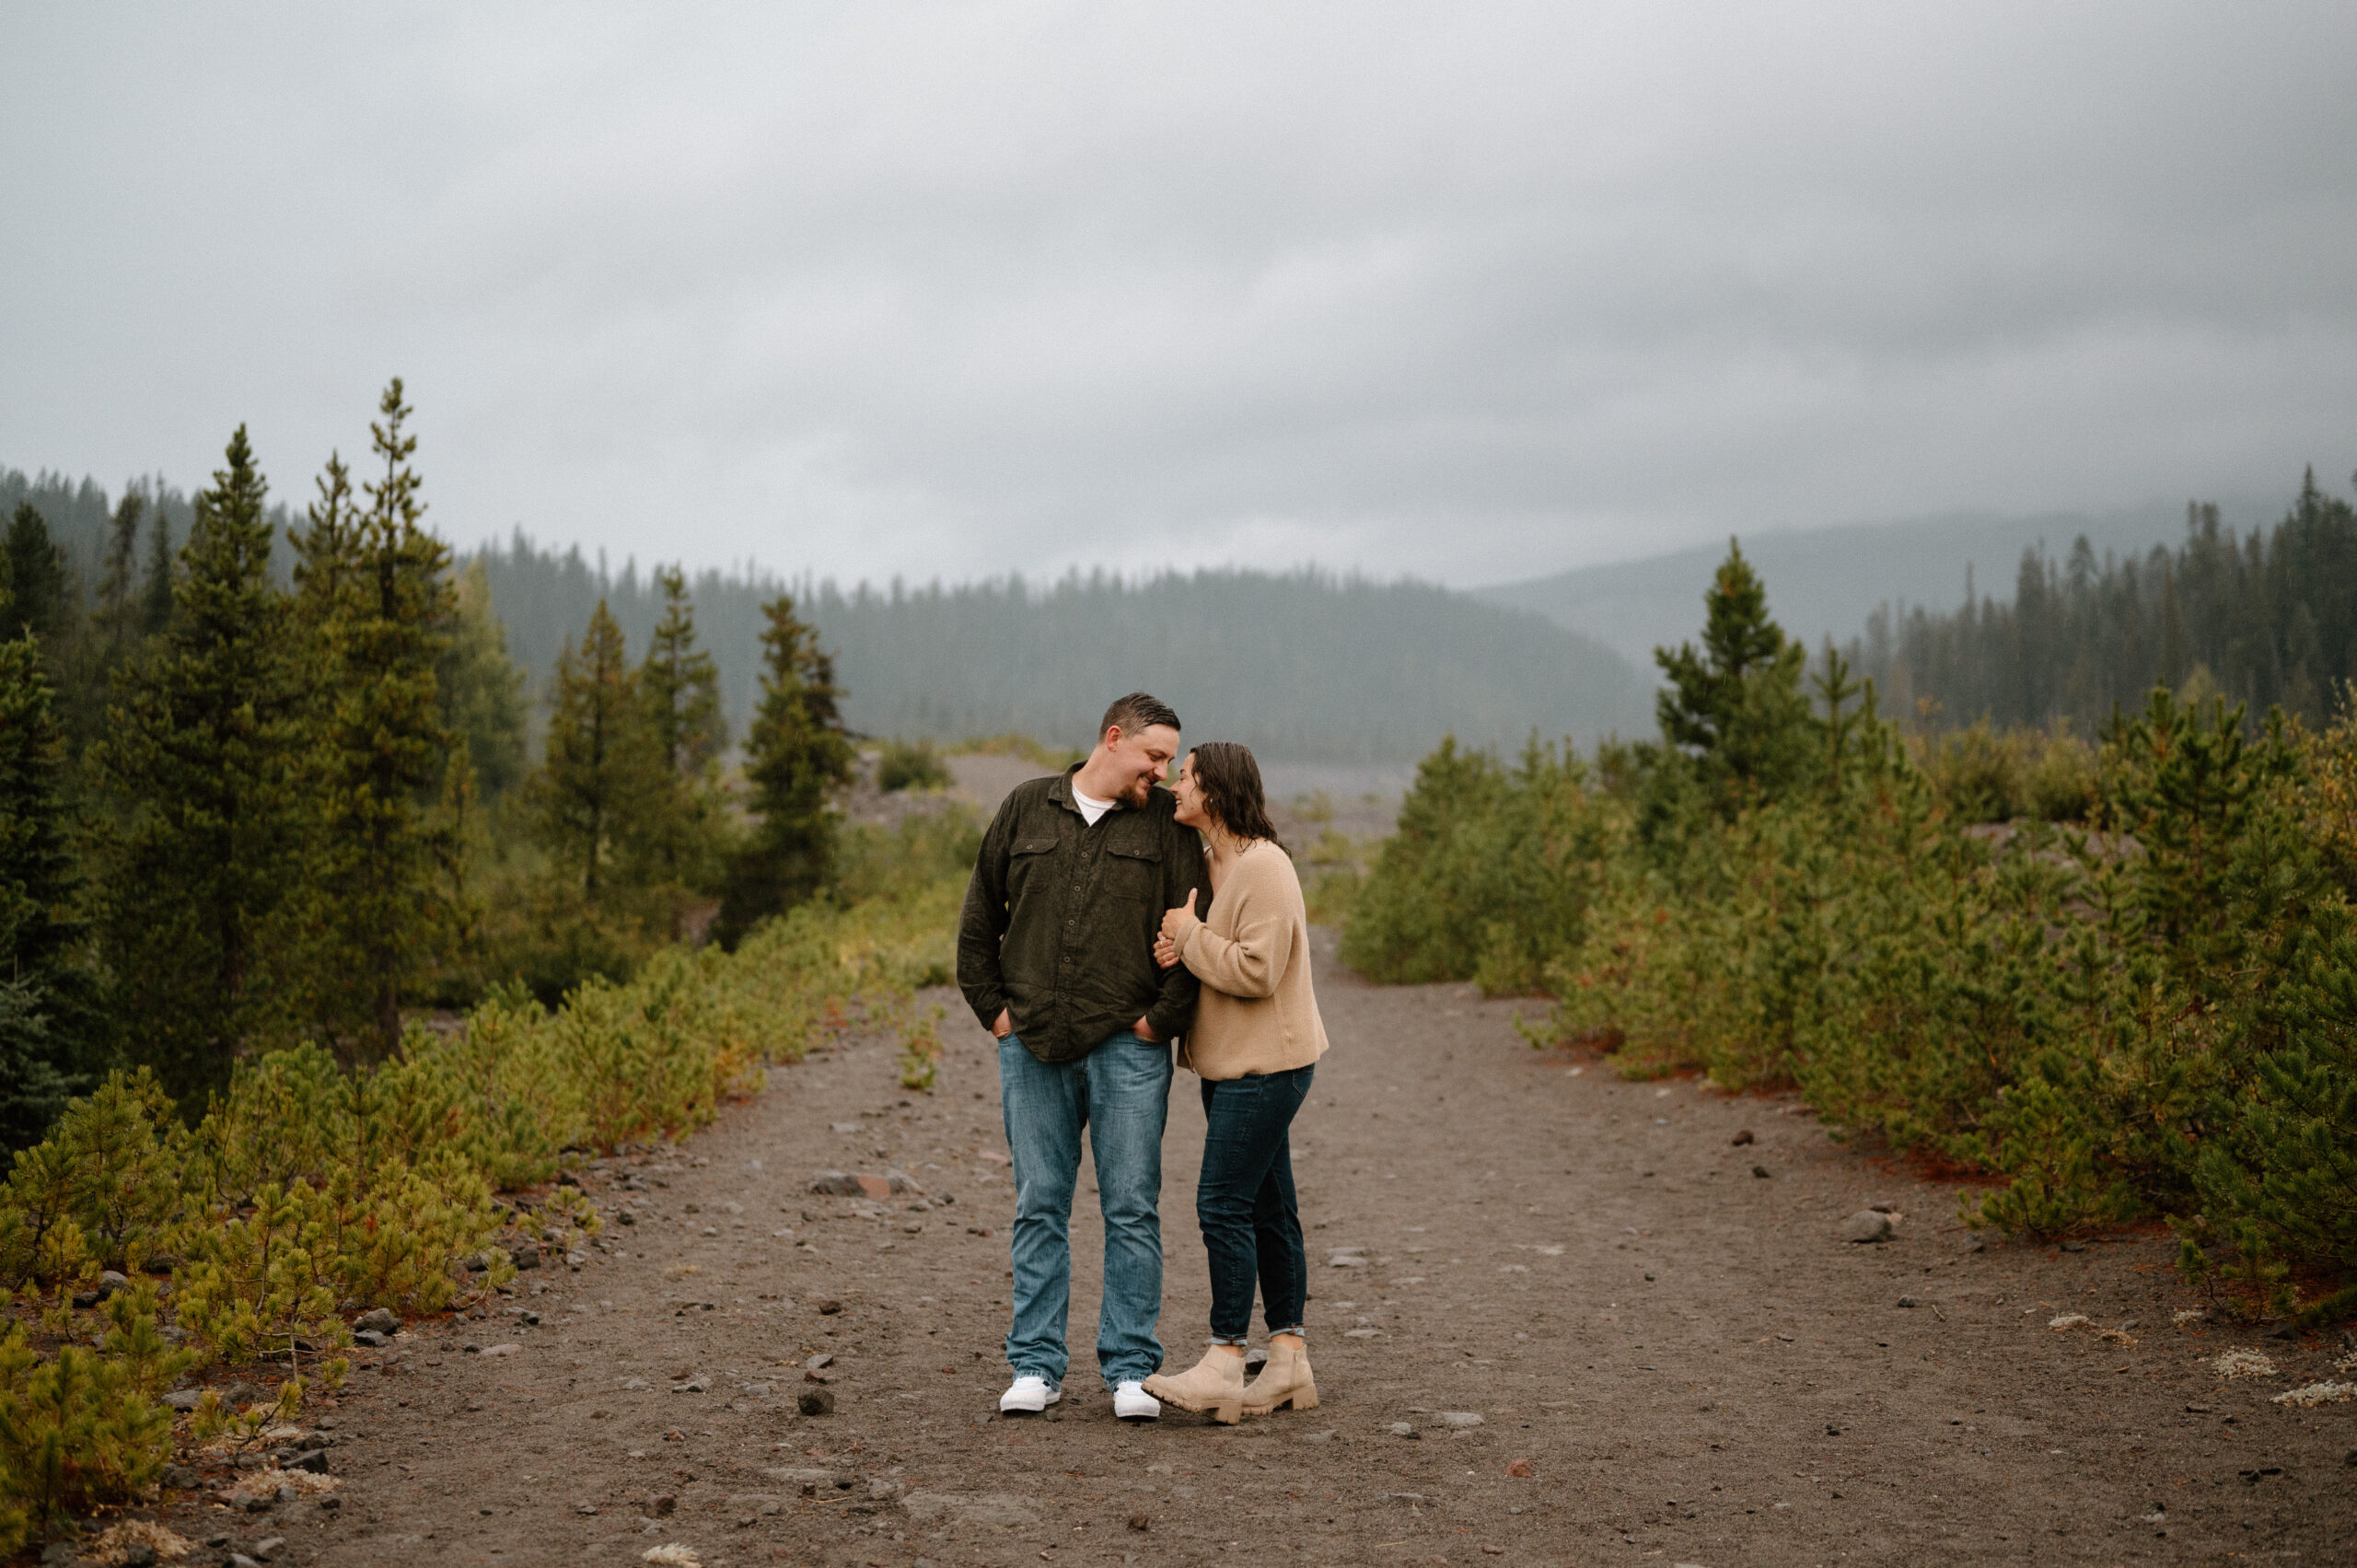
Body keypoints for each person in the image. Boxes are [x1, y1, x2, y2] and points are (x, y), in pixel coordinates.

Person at [957, 692, 1208, 1422]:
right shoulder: (1026, 807)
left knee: (1132, 1207)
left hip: (1127, 1049)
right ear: (1112, 738)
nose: (1161, 773)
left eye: (1169, 761)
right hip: (1031, 1045)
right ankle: (1034, 1364)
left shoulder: (1164, 826)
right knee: (1039, 1204)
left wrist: (1160, 1023)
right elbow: (979, 921)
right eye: (1154, 755)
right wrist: (996, 1013)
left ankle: (1131, 1368)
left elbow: (1193, 926)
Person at [1140, 742, 1329, 1423]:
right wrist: (1180, 943)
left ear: (1214, 791)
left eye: (1185, 776)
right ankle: (1287, 1362)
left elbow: (1256, 969)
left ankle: (1224, 1360)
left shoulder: (1265, 865)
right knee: (1269, 1208)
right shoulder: (1211, 863)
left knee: (1221, 1202)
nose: (1174, 785)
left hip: (1267, 1066)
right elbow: (1209, 950)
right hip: (1232, 1065)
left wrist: (1189, 936)